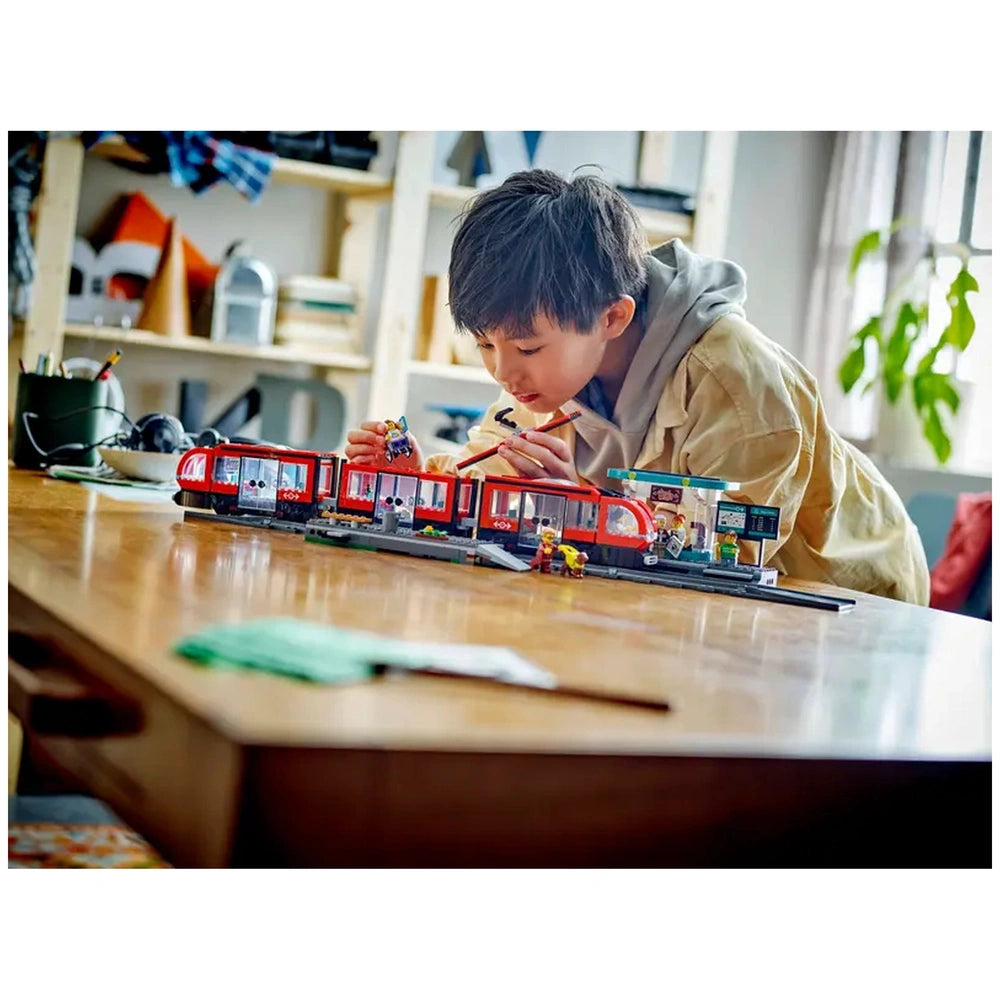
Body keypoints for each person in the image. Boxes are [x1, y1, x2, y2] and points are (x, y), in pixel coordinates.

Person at [346, 169, 929, 604]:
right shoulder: (551, 371)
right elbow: (493, 478)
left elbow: (726, 556)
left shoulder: (736, 382)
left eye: (524, 348)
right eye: (483, 344)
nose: (503, 371)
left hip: (850, 591)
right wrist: (423, 480)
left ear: (613, 318)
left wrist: (577, 506)